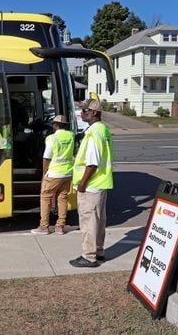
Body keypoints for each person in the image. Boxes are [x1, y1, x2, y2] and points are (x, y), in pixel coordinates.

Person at [69, 98, 113, 268]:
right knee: (99, 220)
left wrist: (82, 183)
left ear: (94, 113)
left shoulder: (94, 133)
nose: (81, 113)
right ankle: (99, 251)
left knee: (88, 221)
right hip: (101, 183)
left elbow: (92, 163)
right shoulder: (104, 130)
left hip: (91, 185)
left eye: (85, 110)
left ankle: (89, 256)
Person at [31, 115, 74, 235]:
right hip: (67, 172)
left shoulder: (51, 138)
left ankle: (44, 226)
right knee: (63, 198)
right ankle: (60, 226)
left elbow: (46, 157)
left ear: (55, 125)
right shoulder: (71, 135)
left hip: (54, 173)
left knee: (45, 197)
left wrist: (44, 173)